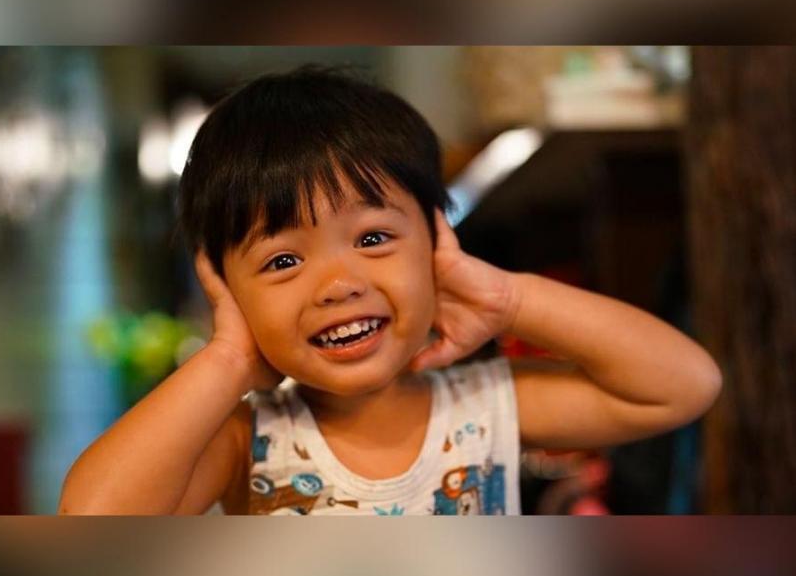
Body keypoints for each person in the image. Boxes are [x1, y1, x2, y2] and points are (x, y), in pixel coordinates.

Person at [58, 66, 722, 515]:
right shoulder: (247, 437)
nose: (338, 284)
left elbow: (684, 385)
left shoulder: (484, 405)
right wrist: (228, 357)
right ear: (226, 291)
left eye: (373, 238)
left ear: (436, 243)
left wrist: (509, 300)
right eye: (283, 259)